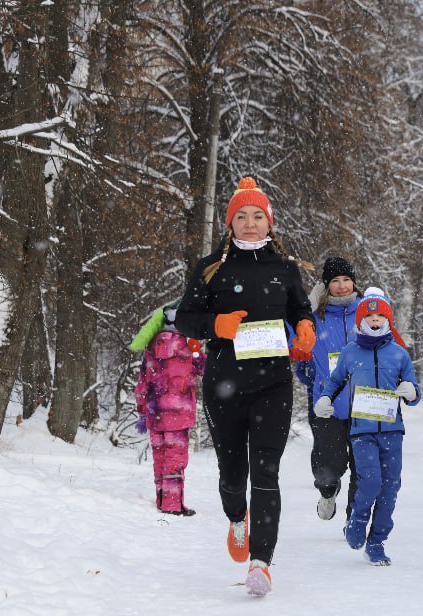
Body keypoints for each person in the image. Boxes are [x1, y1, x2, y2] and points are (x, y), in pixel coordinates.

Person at [175, 177, 316, 596]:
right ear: (230, 224)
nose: (250, 224)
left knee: (266, 472)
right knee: (234, 476)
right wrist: (215, 325)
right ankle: (238, 518)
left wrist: (305, 330)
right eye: (242, 217)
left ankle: (261, 563)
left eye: (258, 216)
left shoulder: (285, 268)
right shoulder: (211, 268)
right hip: (225, 384)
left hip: (273, 383)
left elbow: (301, 308)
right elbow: (184, 319)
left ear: (269, 222)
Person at [314, 287, 420, 566]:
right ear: (360, 321)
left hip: (392, 430)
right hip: (362, 431)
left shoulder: (398, 354)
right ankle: (357, 519)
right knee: (370, 481)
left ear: (387, 320)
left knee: (391, 487)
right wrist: (325, 398)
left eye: (379, 316)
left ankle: (377, 542)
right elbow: (335, 381)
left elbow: (413, 388)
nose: (375, 321)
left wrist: (411, 391)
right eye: (369, 316)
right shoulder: (350, 352)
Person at [292, 257, 362, 522]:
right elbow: (294, 342)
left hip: (363, 403)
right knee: (330, 465)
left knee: (362, 466)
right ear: (325, 286)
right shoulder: (315, 317)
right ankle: (328, 491)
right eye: (335, 281)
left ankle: (355, 518)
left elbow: (392, 345)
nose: (342, 286)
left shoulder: (367, 312)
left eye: (346, 280)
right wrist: (306, 307)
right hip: (327, 402)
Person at [130, 302, 205, 516]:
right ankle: (172, 505)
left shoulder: (152, 346)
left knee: (160, 456)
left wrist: (142, 410)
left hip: (155, 413)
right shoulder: (189, 347)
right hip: (179, 414)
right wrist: (198, 351)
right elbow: (203, 369)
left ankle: (162, 499)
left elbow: (143, 381)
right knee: (175, 458)